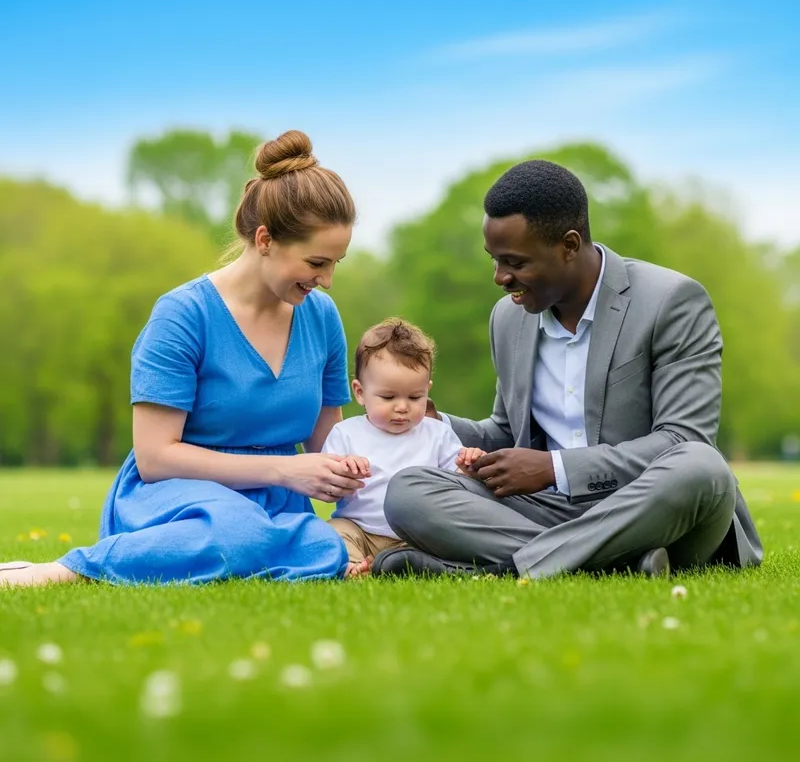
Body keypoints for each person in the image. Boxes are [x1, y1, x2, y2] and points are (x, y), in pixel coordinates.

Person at [0, 130, 370, 588]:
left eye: (337, 263)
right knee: (238, 531)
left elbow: (325, 441)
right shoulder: (184, 314)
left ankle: (281, 546)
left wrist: (366, 464)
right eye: (317, 263)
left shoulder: (322, 317)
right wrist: (284, 470)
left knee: (324, 546)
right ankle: (59, 572)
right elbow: (155, 457)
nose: (328, 280)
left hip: (275, 500)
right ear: (265, 239)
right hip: (174, 495)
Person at [372, 160, 763, 579]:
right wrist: (440, 422)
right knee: (410, 491)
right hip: (547, 509)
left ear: (570, 245)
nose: (500, 278)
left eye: (515, 262)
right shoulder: (508, 318)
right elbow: (507, 432)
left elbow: (681, 439)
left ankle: (512, 566)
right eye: (494, 260)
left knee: (701, 466)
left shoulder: (672, 301)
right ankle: (614, 563)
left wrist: (553, 468)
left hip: (651, 505)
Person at [322, 318, 485, 568]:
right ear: (360, 392)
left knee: (449, 538)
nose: (402, 407)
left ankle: (416, 563)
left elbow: (457, 486)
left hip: (416, 535)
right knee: (333, 531)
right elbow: (326, 488)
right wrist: (344, 470)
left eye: (415, 396)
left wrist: (468, 467)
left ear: (427, 390)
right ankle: (354, 566)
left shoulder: (437, 433)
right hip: (360, 530)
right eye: (388, 397)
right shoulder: (345, 433)